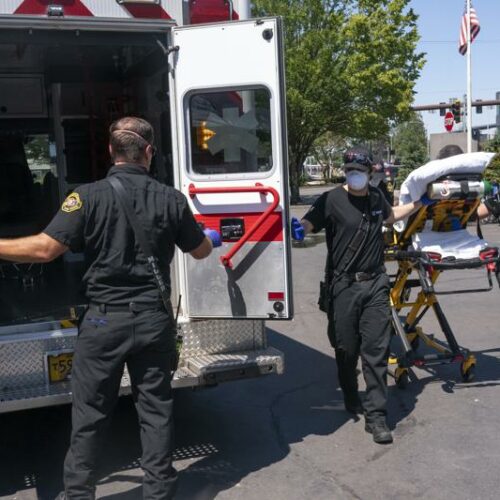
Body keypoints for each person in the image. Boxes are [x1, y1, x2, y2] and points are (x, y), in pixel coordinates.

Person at [0, 116, 221, 499]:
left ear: (110, 151)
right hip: (153, 320)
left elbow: (44, 249)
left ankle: (80, 493)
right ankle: (159, 492)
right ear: (149, 152)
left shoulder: (86, 196)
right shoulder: (172, 199)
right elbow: (200, 251)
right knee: (156, 411)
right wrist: (209, 237)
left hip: (104, 322)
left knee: (90, 416)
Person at [291, 148, 427, 444]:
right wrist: (298, 230)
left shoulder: (376, 197)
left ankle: (376, 416)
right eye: (350, 169)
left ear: (369, 172)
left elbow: (392, 218)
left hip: (376, 283)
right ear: (346, 171)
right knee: (345, 349)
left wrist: (420, 203)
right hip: (344, 286)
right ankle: (351, 394)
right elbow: (308, 224)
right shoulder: (330, 200)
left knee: (376, 352)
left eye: (360, 170)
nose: (355, 174)